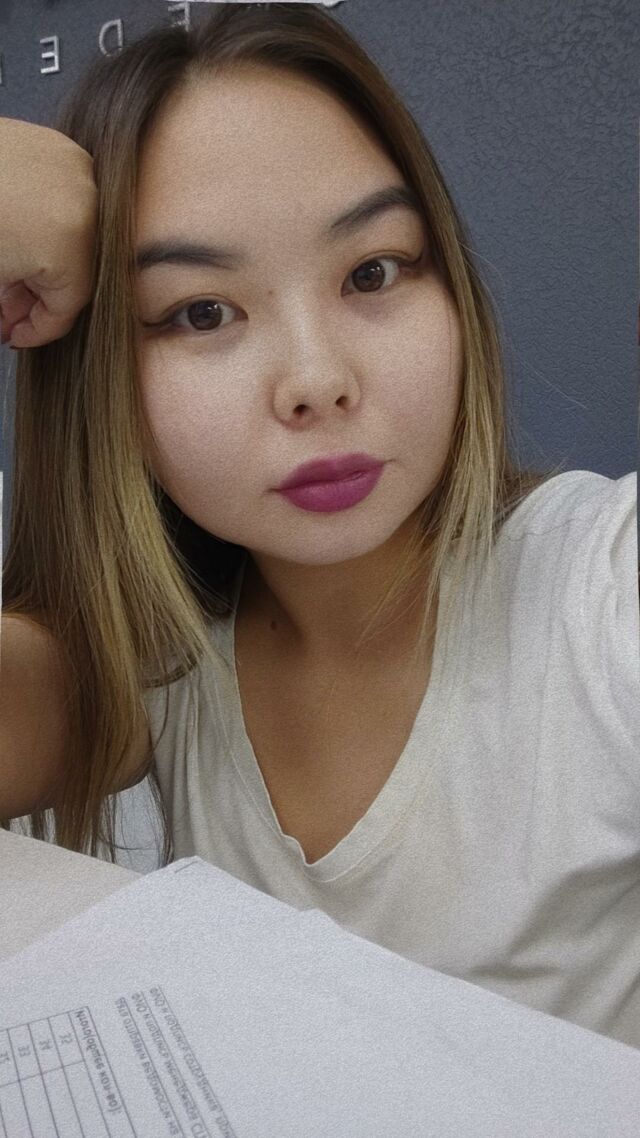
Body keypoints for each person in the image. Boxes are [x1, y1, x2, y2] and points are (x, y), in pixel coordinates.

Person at [0, 3, 637, 1049]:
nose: (316, 379)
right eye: (202, 311)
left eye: (372, 272)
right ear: (103, 376)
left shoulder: (601, 588)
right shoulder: (152, 674)